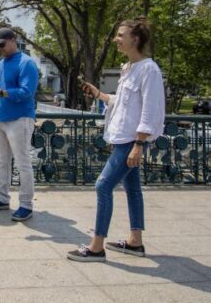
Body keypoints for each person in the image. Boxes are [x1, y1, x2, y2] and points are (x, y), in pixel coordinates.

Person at [67, 18, 165, 262]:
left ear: (136, 39)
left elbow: (149, 110)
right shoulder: (128, 68)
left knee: (103, 186)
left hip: (131, 141)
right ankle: (135, 242)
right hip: (123, 138)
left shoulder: (148, 69)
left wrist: (139, 145)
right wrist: (99, 94)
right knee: (133, 189)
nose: (116, 39)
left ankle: (96, 247)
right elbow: (122, 104)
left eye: (121, 35)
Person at [0, 27, 39, 222]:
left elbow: (26, 92)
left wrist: (2, 94)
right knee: (2, 161)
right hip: (0, 120)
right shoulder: (0, 63)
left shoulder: (27, 63)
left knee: (23, 163)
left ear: (13, 40)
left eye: (2, 45)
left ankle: (26, 205)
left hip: (19, 119)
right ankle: (2, 197)